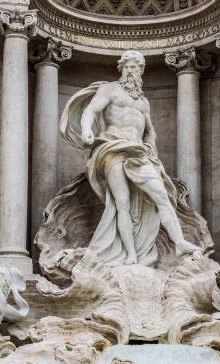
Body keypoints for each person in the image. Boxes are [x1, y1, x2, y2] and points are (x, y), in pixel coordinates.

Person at [60, 49, 197, 267]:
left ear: (141, 70)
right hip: (112, 148)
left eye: (135, 67)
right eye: (127, 67)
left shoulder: (143, 102)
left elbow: (150, 130)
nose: (130, 71)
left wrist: (150, 145)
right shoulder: (109, 89)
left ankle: (179, 242)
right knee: (121, 202)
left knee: (161, 194)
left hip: (138, 152)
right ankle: (130, 254)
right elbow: (90, 111)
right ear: (121, 69)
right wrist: (86, 130)